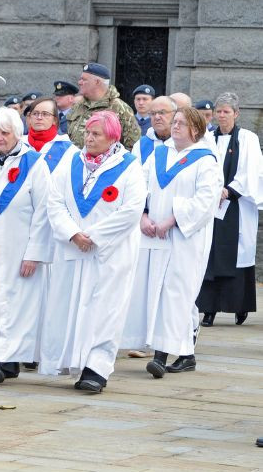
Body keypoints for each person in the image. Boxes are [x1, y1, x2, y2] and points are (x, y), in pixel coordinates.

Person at [40, 111, 146, 392]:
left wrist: (95, 236)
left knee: (105, 309)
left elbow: (132, 209)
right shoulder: (71, 161)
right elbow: (55, 201)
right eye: (87, 132)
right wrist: (73, 233)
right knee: (70, 304)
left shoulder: (129, 166)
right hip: (74, 247)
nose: (89, 138)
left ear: (113, 136)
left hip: (109, 252)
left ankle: (97, 368)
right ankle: (71, 360)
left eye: (96, 134)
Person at [120, 107, 221, 378]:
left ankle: (163, 356)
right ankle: (185, 354)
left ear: (196, 130)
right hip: (153, 236)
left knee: (175, 294)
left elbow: (205, 201)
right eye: (174, 122)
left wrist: (172, 220)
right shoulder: (157, 155)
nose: (174, 126)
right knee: (153, 291)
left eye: (181, 123)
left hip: (183, 239)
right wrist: (142, 214)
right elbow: (138, 186)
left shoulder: (205, 161)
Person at [0, 107, 52, 383]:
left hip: (21, 246)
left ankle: (10, 358)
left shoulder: (35, 163)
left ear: (17, 134)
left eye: (4, 133)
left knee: (18, 305)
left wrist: (35, 252)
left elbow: (45, 211)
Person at [197, 92, 262, 327]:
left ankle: (240, 305)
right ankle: (209, 309)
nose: (221, 116)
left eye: (226, 112)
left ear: (236, 113)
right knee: (210, 252)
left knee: (237, 253)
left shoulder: (247, 138)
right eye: (219, 111)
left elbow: (251, 170)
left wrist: (229, 190)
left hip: (236, 204)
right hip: (211, 205)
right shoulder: (207, 138)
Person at [66, 63, 140, 149]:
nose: (79, 82)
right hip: (77, 160)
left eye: (84, 79)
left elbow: (133, 146)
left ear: (97, 82)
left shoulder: (120, 108)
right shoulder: (77, 106)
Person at [26, 97, 79, 174]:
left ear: (54, 120)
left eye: (45, 114)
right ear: (30, 118)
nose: (39, 117)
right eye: (35, 113)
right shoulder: (19, 144)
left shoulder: (69, 150)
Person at [133, 96, 177, 164]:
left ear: (175, 114)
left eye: (162, 112)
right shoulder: (140, 145)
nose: (157, 117)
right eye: (153, 113)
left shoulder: (183, 141)